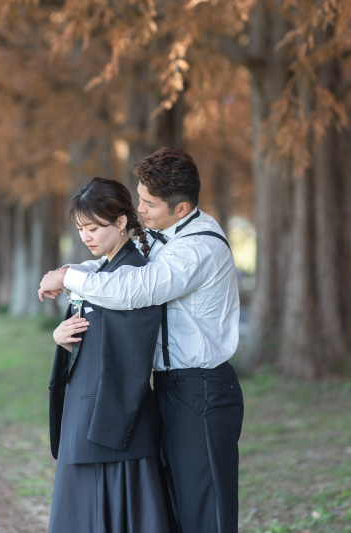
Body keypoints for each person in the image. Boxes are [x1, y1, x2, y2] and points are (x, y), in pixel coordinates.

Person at [40, 147, 244, 533]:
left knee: (206, 510)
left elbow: (137, 288)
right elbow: (113, 262)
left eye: (149, 203)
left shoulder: (198, 248)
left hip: (201, 389)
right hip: (166, 387)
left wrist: (66, 279)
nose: (140, 210)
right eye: (139, 198)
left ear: (181, 208)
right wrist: (70, 269)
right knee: (174, 507)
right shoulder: (163, 235)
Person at [47, 177, 173, 533]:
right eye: (80, 229)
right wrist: (61, 337)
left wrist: (109, 429)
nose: (86, 237)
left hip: (112, 422)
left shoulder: (132, 279)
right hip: (87, 416)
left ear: (121, 222)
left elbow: (132, 356)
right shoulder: (103, 273)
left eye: (93, 228)